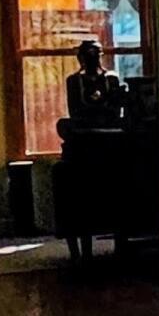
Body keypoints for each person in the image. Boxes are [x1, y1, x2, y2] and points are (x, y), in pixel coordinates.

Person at [56, 43, 127, 261]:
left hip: (108, 139)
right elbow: (76, 111)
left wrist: (113, 101)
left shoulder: (111, 79)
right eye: (86, 56)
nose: (90, 60)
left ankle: (121, 241)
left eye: (94, 56)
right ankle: (82, 247)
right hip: (84, 138)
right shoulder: (74, 81)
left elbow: (116, 112)